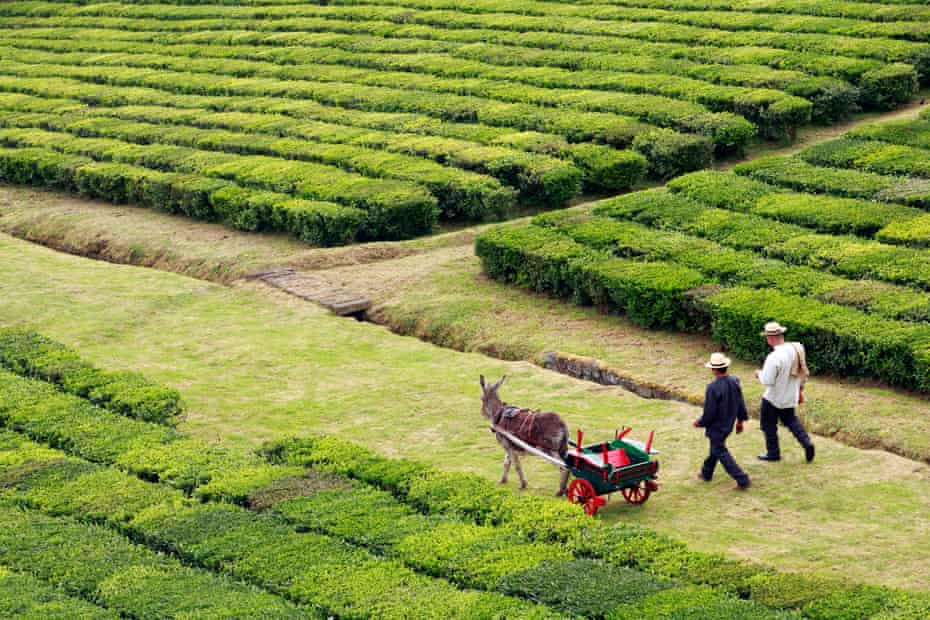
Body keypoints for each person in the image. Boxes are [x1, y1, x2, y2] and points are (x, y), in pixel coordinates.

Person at [755, 321, 815, 463]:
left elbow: (767, 381)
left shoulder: (774, 357)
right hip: (790, 394)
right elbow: (802, 371)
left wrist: (759, 373)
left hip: (774, 397)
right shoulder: (796, 348)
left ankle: (773, 453)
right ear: (781, 334)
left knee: (767, 424)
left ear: (770, 338)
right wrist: (800, 389)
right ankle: (807, 443)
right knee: (791, 421)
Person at [694, 352, 751, 490]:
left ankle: (742, 479)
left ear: (714, 369)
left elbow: (709, 412)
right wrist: (740, 421)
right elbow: (740, 403)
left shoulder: (712, 388)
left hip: (717, 427)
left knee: (720, 451)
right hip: (728, 424)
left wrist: (700, 422)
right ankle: (706, 473)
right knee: (715, 448)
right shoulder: (735, 381)